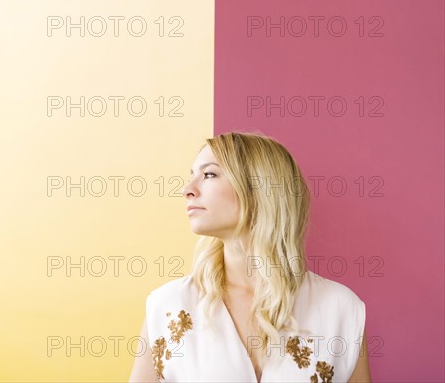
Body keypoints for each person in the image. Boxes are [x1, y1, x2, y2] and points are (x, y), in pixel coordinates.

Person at [129, 131, 372, 383]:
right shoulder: (167, 306)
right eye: (192, 175)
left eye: (209, 174)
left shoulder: (341, 308)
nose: (187, 190)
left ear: (259, 188)